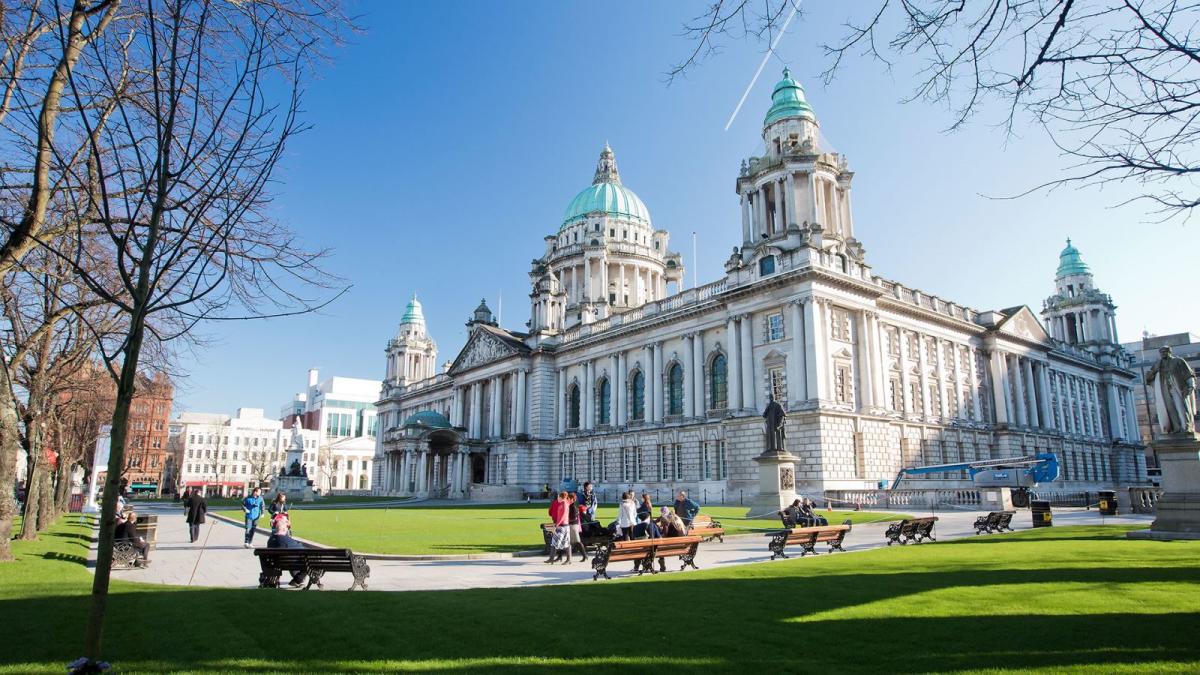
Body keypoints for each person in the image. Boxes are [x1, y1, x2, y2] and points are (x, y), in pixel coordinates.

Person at [266, 514, 308, 588]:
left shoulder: (270, 541)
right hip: (290, 562)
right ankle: (298, 579)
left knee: (289, 558)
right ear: (285, 529)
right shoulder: (288, 542)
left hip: (275, 564)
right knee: (308, 561)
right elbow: (302, 548)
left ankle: (297, 579)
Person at [545, 491, 571, 564]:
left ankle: (552, 558)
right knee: (563, 542)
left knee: (558, 542)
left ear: (561, 497)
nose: (557, 498)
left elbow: (562, 516)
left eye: (558, 497)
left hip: (562, 526)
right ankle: (554, 558)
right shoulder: (563, 503)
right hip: (563, 525)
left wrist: (557, 524)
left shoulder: (564, 504)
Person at [566, 492, 587, 563]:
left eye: (569, 498)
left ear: (572, 499)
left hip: (573, 525)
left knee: (577, 542)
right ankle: (567, 558)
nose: (568, 499)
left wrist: (567, 519)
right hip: (572, 525)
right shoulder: (572, 505)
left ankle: (584, 555)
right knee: (570, 542)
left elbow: (574, 518)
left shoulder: (573, 506)